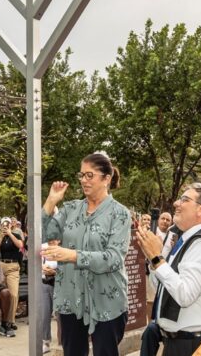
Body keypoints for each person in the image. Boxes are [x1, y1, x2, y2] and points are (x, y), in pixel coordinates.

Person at [41, 153, 130, 356]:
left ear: (106, 178)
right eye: (81, 175)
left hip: (106, 300)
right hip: (70, 299)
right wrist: (50, 202)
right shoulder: (70, 209)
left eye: (90, 175)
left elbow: (114, 258)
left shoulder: (120, 213)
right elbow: (43, 234)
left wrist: (73, 255)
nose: (83, 180)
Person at [136, 182, 201, 356]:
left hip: (191, 345)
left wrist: (157, 259)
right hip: (178, 343)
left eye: (184, 200)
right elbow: (161, 285)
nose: (176, 204)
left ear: (200, 210)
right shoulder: (187, 240)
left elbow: (185, 294)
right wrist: (153, 259)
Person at [0, 216, 24, 328]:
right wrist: (2, 237)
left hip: (13, 266)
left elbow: (20, 246)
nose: (5, 226)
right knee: (3, 294)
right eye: (3, 224)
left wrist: (10, 234)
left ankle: (11, 321)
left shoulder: (16, 235)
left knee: (13, 294)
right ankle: (4, 320)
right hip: (2, 266)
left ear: (11, 225)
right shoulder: (1, 237)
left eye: (7, 224)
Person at [42, 239, 60, 354]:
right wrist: (43, 269)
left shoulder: (63, 248)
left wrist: (54, 271)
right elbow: (35, 263)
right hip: (44, 283)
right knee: (44, 313)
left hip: (59, 284)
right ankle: (45, 341)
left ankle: (63, 341)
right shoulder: (42, 247)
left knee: (61, 315)